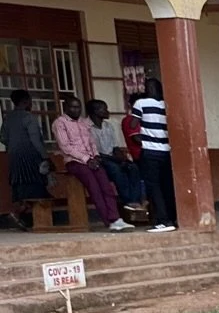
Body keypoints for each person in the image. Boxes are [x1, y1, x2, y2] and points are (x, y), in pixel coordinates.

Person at [50, 96, 127, 229]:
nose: (76, 110)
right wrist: (86, 159)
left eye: (78, 107)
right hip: (74, 161)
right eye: (73, 107)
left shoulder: (83, 123)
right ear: (66, 107)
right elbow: (65, 146)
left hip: (92, 160)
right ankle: (109, 221)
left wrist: (96, 156)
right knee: (94, 187)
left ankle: (116, 218)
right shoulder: (60, 123)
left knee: (106, 186)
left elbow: (91, 142)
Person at [86, 99, 146, 217]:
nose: (107, 111)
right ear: (95, 111)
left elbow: (115, 148)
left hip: (111, 157)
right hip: (98, 159)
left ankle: (134, 201)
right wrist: (116, 160)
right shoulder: (86, 128)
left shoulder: (108, 126)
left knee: (132, 167)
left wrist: (123, 159)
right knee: (116, 170)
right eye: (104, 109)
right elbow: (95, 152)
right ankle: (127, 200)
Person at [131, 79, 177, 231]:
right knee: (167, 186)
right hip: (166, 151)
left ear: (147, 88)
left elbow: (133, 124)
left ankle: (162, 221)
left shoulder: (140, 103)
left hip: (150, 151)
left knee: (153, 187)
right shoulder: (167, 104)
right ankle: (171, 218)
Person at [4, 89, 49, 225]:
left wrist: (14, 144)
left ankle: (22, 215)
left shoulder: (8, 118)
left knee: (22, 188)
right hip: (30, 157)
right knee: (36, 188)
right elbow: (35, 141)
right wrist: (45, 157)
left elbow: (3, 137)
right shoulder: (29, 118)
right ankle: (19, 214)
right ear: (25, 101)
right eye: (30, 101)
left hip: (14, 158)